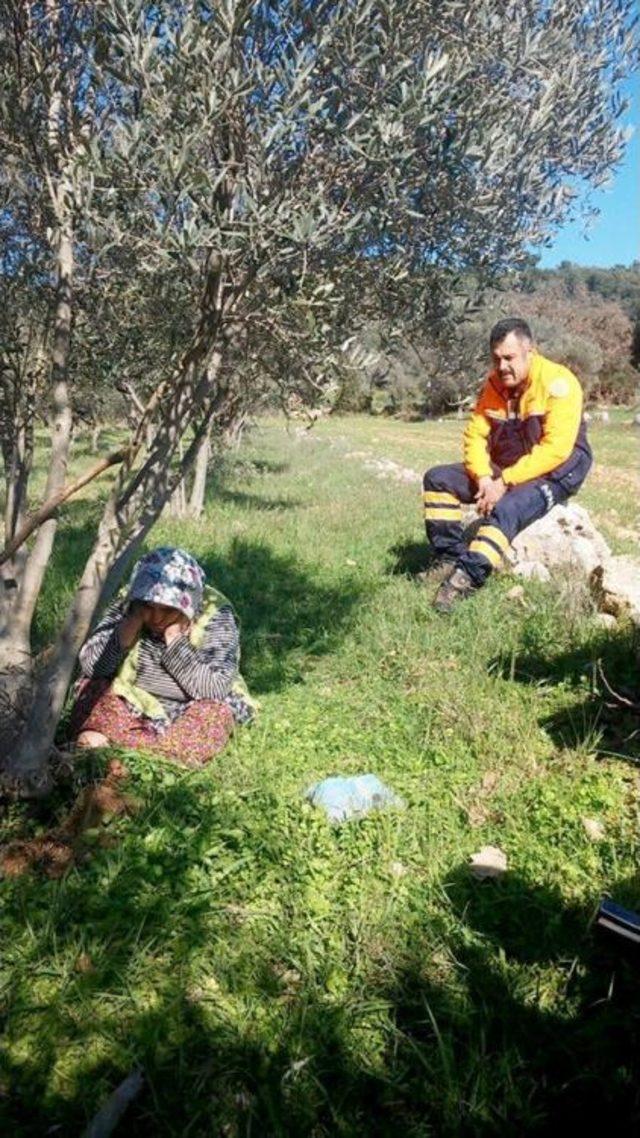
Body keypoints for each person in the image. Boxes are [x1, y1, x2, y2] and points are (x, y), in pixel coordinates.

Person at [422, 318, 593, 613]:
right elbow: (475, 436)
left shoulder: (558, 383)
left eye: (509, 358)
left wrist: (505, 483)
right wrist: (485, 478)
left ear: (531, 352)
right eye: (496, 358)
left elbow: (555, 450)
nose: (502, 367)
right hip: (507, 467)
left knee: (507, 508)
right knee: (437, 480)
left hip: (557, 471)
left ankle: (465, 579)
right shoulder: (493, 386)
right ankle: (448, 558)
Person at [68, 546, 254, 766]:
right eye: (149, 606)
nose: (156, 618)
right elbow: (92, 666)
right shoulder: (130, 604)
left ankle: (149, 758)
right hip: (131, 701)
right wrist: (128, 629)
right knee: (92, 690)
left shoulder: (215, 613)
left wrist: (174, 640)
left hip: (188, 709)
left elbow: (215, 688)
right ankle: (133, 754)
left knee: (214, 714)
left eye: (167, 610)